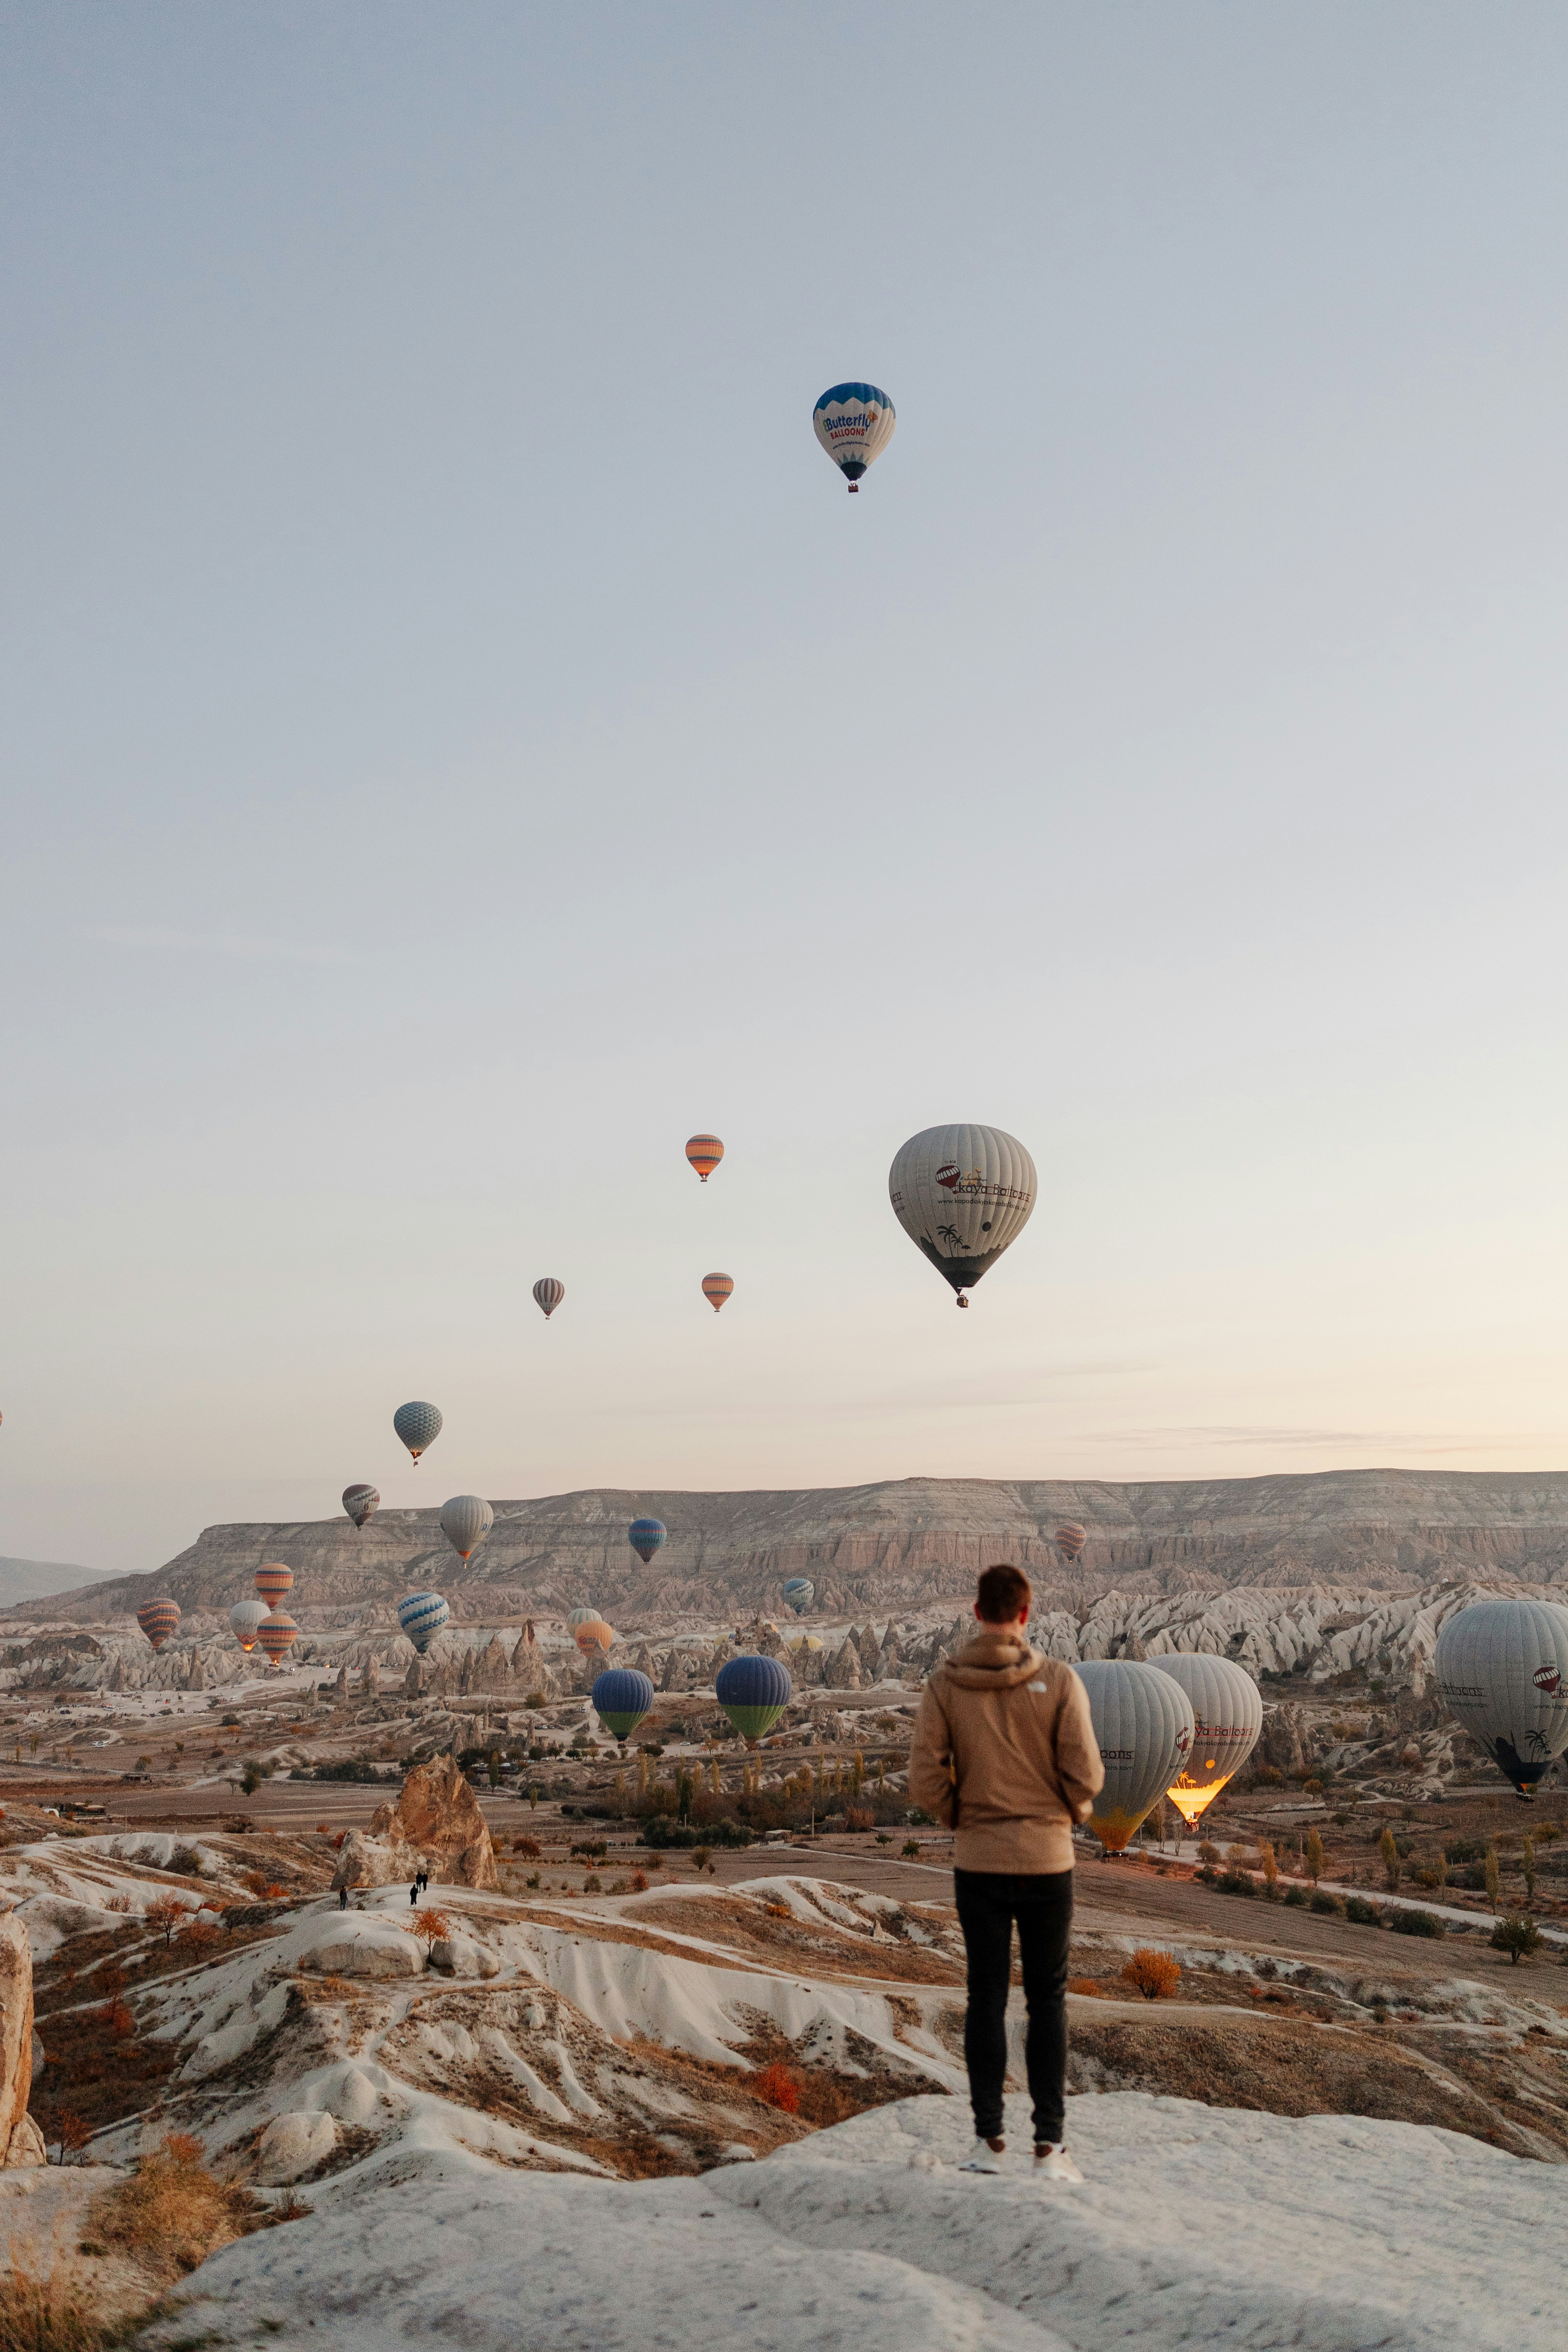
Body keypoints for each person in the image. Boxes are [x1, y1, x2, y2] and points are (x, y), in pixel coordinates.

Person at [910, 1561, 1103, 2182]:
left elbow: (924, 1776)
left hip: (979, 1862)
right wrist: (1064, 1814)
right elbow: (1087, 1774)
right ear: (1026, 1613)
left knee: (985, 1996)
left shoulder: (944, 1684)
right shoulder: (1059, 1679)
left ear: (976, 1612)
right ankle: (1049, 2147)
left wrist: (963, 1817)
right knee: (1047, 1997)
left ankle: (987, 2141)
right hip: (1049, 1861)